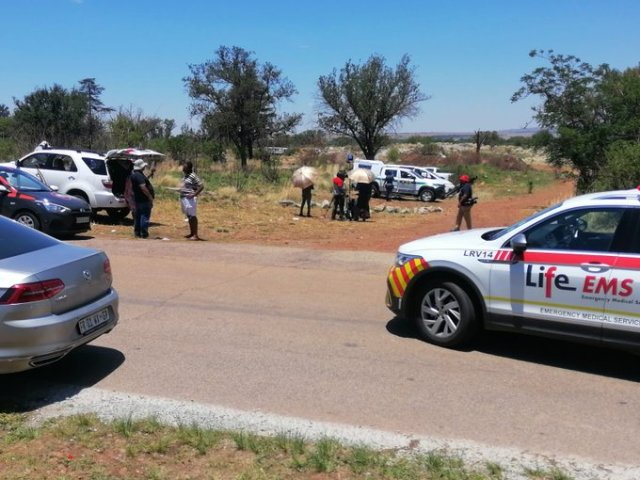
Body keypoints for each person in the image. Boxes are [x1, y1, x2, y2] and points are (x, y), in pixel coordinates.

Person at [130, 158, 155, 238]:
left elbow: (144, 181)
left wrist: (151, 174)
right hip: (144, 199)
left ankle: (137, 233)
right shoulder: (139, 176)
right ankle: (143, 233)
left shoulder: (136, 175)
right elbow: (143, 187)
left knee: (138, 216)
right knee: (144, 216)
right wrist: (150, 197)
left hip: (138, 199)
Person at [180, 161, 205, 240]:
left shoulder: (193, 176)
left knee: (193, 216)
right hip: (185, 198)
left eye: (185, 166)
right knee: (189, 216)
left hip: (190, 199)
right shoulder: (186, 176)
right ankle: (191, 233)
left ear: (189, 168)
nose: (183, 168)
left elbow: (201, 186)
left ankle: (195, 235)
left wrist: (194, 194)